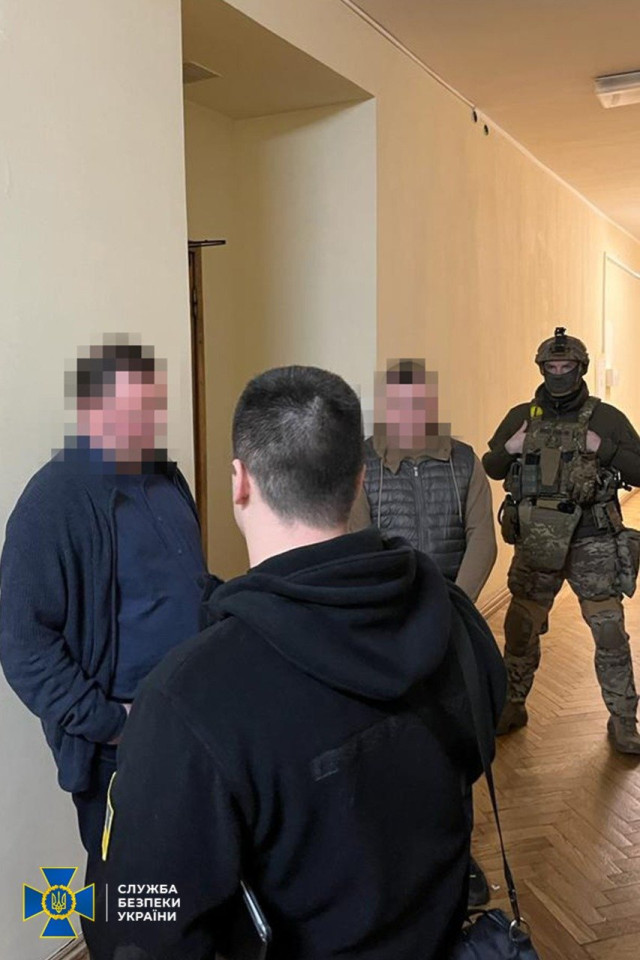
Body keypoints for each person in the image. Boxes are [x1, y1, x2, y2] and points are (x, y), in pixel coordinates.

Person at [87, 365, 505, 960]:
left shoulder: (186, 699)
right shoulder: (453, 617)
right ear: (359, 481)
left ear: (239, 482)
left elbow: (136, 930)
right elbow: (477, 743)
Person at [0, 338, 210, 858]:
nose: (147, 424)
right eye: (132, 409)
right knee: (126, 889)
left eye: (152, 408)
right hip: (120, 751)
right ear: (90, 408)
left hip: (193, 723)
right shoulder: (53, 501)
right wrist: (111, 724)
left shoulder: (166, 478)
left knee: (192, 874)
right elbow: (22, 643)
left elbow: (186, 585)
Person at [350, 357, 497, 906]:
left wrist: (453, 606)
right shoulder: (363, 463)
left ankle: (458, 859)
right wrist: (399, 616)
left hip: (453, 625)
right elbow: (361, 543)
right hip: (390, 632)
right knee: (394, 750)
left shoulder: (464, 461)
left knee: (455, 745)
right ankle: (398, 862)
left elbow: (483, 540)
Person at [483, 327, 640, 753]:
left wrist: (604, 448)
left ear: (580, 368)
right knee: (520, 628)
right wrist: (512, 447)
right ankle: (512, 705)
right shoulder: (522, 415)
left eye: (565, 365)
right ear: (541, 369)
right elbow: (492, 467)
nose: (558, 373)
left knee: (609, 631)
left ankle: (624, 720)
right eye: (550, 366)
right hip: (536, 542)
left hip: (592, 541)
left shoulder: (607, 418)